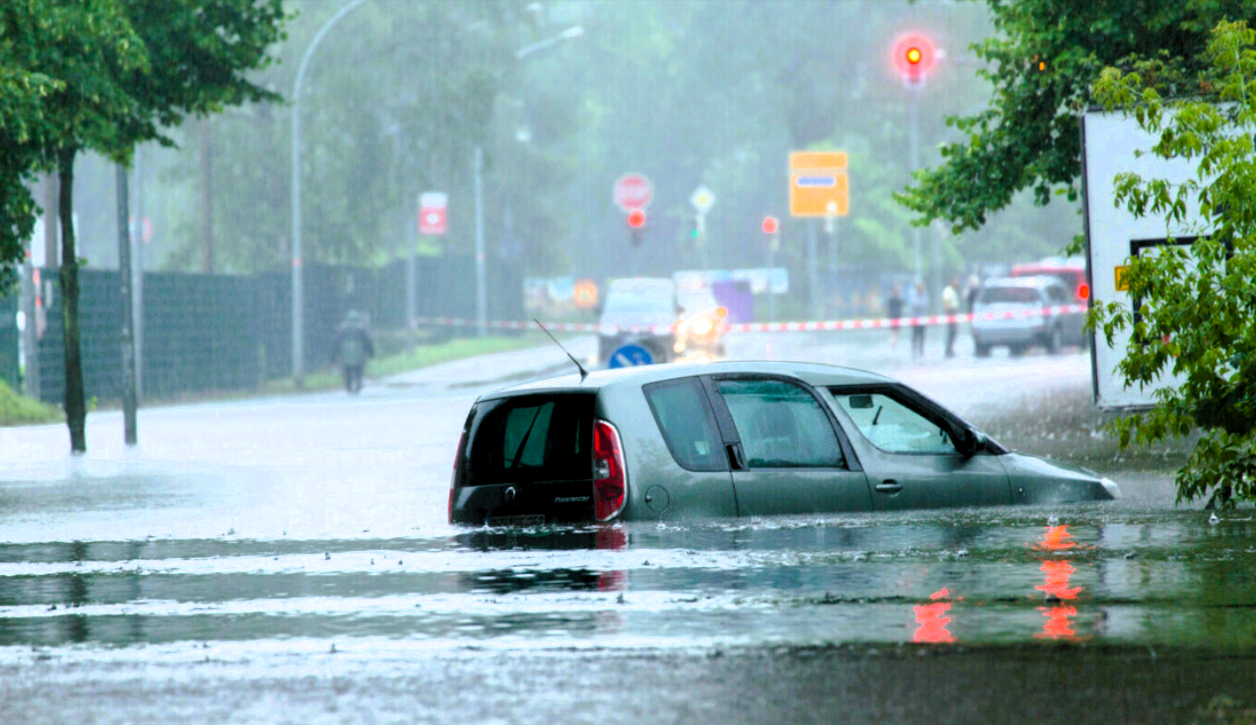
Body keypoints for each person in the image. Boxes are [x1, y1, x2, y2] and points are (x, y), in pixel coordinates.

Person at [332, 310, 374, 394]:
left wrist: (334, 355)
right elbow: (367, 342)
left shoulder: (342, 329)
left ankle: (348, 385)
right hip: (359, 356)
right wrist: (371, 353)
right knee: (360, 369)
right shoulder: (361, 329)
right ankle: (358, 382)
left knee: (346, 369)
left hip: (345, 356)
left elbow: (336, 343)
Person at [907, 279, 929, 360]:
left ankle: (921, 351)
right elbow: (914, 304)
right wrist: (919, 306)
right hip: (915, 319)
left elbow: (925, 304)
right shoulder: (913, 294)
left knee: (922, 336)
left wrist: (919, 306)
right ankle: (913, 351)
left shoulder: (925, 294)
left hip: (923, 319)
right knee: (914, 336)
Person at [942, 276, 960, 358]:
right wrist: (948, 312)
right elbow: (946, 301)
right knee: (952, 331)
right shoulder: (948, 290)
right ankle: (948, 350)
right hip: (950, 312)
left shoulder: (953, 291)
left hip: (953, 312)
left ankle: (950, 349)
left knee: (954, 332)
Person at [886, 283, 905, 350]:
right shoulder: (897, 299)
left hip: (893, 317)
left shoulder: (891, 299)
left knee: (894, 332)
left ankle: (893, 343)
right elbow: (902, 305)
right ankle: (893, 343)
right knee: (895, 332)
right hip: (896, 317)